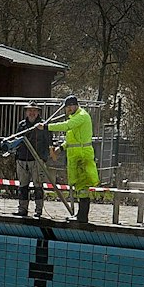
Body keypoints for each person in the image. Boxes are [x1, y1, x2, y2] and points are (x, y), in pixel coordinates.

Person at [47, 94, 99, 223]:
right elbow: (72, 140)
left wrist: (47, 127)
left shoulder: (81, 116)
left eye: (71, 106)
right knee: (79, 187)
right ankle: (80, 215)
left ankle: (82, 217)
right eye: (67, 107)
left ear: (76, 105)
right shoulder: (75, 117)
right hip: (76, 156)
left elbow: (67, 126)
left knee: (83, 187)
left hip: (82, 156)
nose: (69, 109)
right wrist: (61, 148)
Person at [9, 106, 52, 219]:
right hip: (22, 159)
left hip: (37, 160)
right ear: (26, 112)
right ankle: (22, 209)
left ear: (38, 112)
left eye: (34, 110)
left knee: (38, 186)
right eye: (29, 110)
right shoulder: (21, 125)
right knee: (23, 186)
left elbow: (49, 142)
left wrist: (44, 158)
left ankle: (38, 210)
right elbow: (17, 141)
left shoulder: (44, 125)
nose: (32, 113)